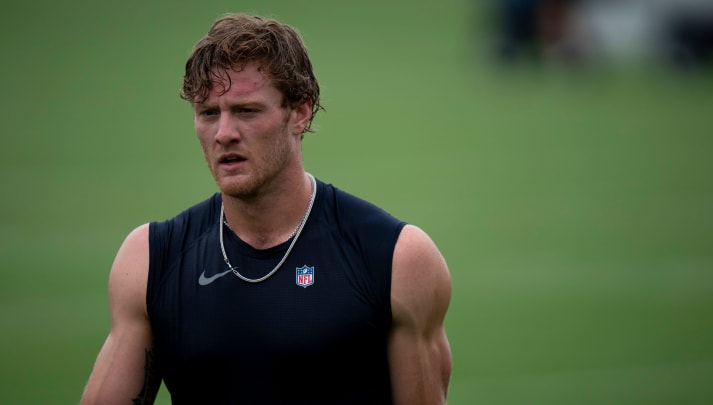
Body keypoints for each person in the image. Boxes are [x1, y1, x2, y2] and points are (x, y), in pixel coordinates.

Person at [81, 13, 451, 405]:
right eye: (209, 113)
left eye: (246, 111)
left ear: (300, 112)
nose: (224, 133)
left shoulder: (395, 259)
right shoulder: (150, 260)